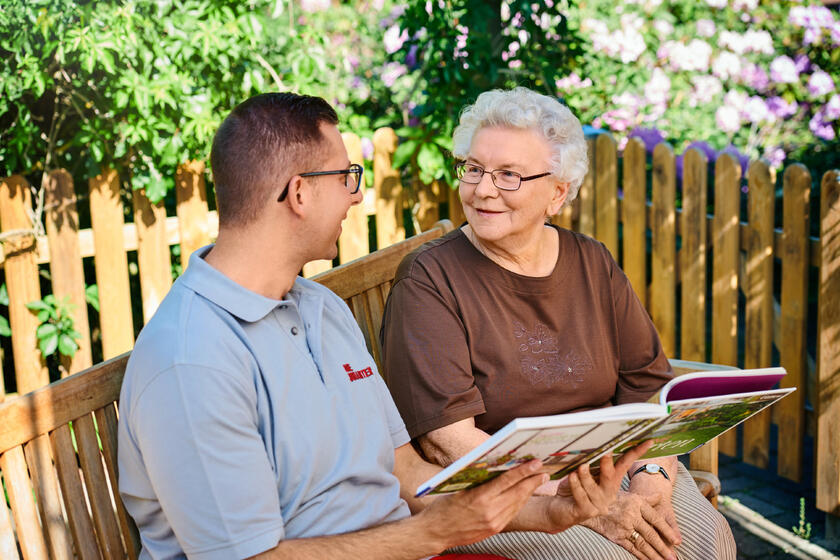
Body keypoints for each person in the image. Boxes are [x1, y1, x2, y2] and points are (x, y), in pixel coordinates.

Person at [116, 92, 649, 560]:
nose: (356, 196)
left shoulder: (321, 309)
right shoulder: (192, 360)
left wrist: (553, 513)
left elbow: (409, 475)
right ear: (299, 193)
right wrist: (433, 534)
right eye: (347, 177)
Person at [380, 87, 737, 560]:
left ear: (557, 193)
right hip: (500, 488)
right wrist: (575, 503)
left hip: (615, 463)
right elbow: (449, 442)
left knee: (707, 544)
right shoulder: (430, 279)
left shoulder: (591, 261)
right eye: (474, 168)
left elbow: (648, 383)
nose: (483, 189)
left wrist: (652, 480)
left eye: (509, 175)